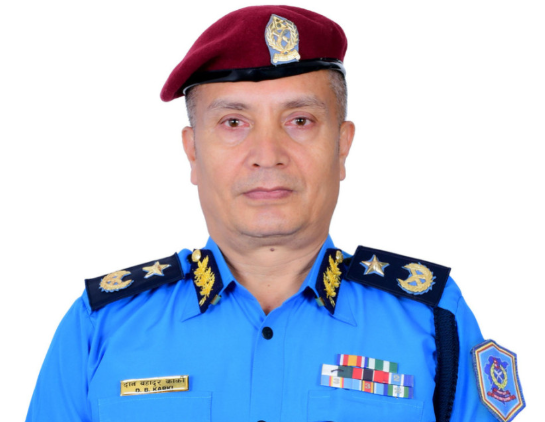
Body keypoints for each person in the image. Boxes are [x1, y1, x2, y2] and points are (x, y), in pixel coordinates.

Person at [26, 5, 525, 422]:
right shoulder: (100, 326)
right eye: (233, 122)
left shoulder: (433, 320)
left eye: (300, 120)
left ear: (342, 146)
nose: (267, 154)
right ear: (193, 152)